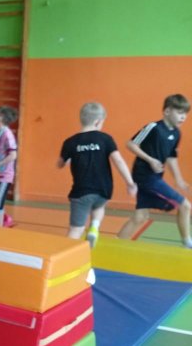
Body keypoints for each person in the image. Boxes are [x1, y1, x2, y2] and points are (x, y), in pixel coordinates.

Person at [58, 102, 137, 247]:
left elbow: (60, 164)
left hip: (82, 191)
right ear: (98, 121)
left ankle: (63, 255)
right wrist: (130, 183)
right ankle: (94, 227)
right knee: (99, 206)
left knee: (76, 229)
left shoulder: (70, 142)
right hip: (103, 189)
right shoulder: (105, 138)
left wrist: (68, 159)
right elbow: (118, 161)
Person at [117, 94, 192, 248]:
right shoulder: (153, 128)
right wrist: (150, 160)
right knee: (185, 206)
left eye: (185, 113)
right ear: (167, 111)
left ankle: (115, 245)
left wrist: (179, 180)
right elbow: (131, 144)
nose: (183, 117)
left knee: (140, 217)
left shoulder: (176, 133)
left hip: (154, 177)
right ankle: (187, 244)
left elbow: (171, 157)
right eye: (179, 112)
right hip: (145, 177)